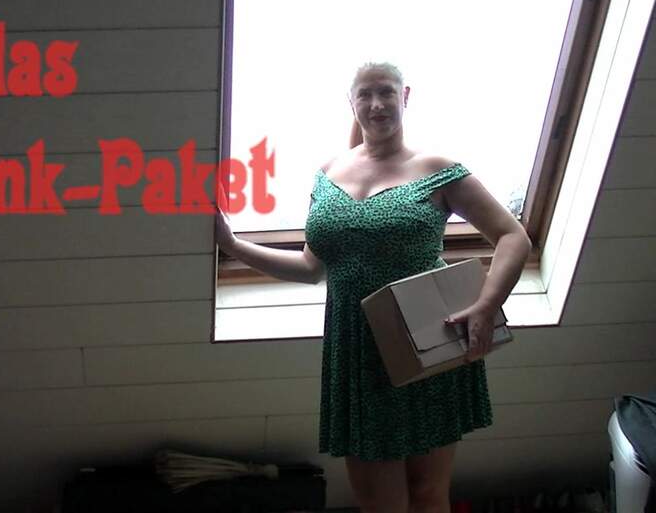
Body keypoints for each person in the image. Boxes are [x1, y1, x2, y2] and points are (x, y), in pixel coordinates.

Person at [215, 62, 532, 513]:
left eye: (386, 92)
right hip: (357, 352)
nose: (377, 104)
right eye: (365, 94)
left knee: (428, 494)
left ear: (405, 97)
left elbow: (513, 236)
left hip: (427, 338)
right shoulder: (327, 174)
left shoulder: (437, 170)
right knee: (378, 502)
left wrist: (485, 306)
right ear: (351, 103)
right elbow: (311, 267)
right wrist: (233, 245)